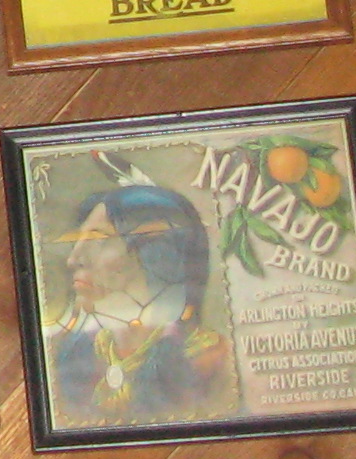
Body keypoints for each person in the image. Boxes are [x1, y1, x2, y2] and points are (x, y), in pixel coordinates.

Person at [46, 180, 231, 426]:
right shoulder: (74, 353)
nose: (74, 259)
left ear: (155, 253)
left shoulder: (210, 359)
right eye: (77, 241)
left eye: (99, 240)